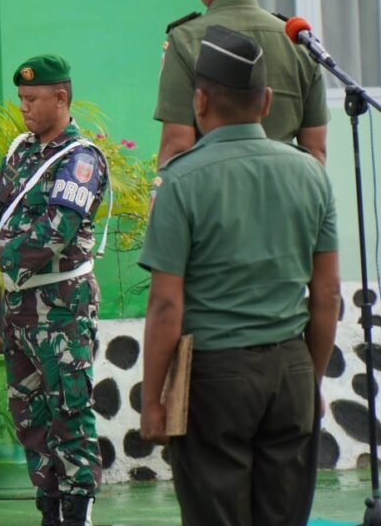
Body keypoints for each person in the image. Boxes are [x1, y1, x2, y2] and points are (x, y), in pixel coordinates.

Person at [139, 26, 340, 526]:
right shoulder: (311, 174)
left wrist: (151, 401)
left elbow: (166, 305)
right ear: (267, 101)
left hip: (215, 377)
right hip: (291, 368)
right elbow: (328, 295)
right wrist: (308, 377)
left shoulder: (181, 180)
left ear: (199, 101)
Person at [0, 55, 108, 526]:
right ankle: (49, 507)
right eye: (21, 99)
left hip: (62, 306)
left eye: (32, 99)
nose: (24, 108)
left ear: (61, 98)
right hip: (21, 308)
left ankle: (77, 510)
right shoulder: (20, 152)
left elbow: (58, 229)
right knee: (31, 417)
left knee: (69, 409)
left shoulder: (81, 159)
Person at [154, 0, 328, 167]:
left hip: (213, 203)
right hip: (285, 201)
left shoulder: (185, 41)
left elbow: (176, 148)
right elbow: (316, 152)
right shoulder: (298, 41)